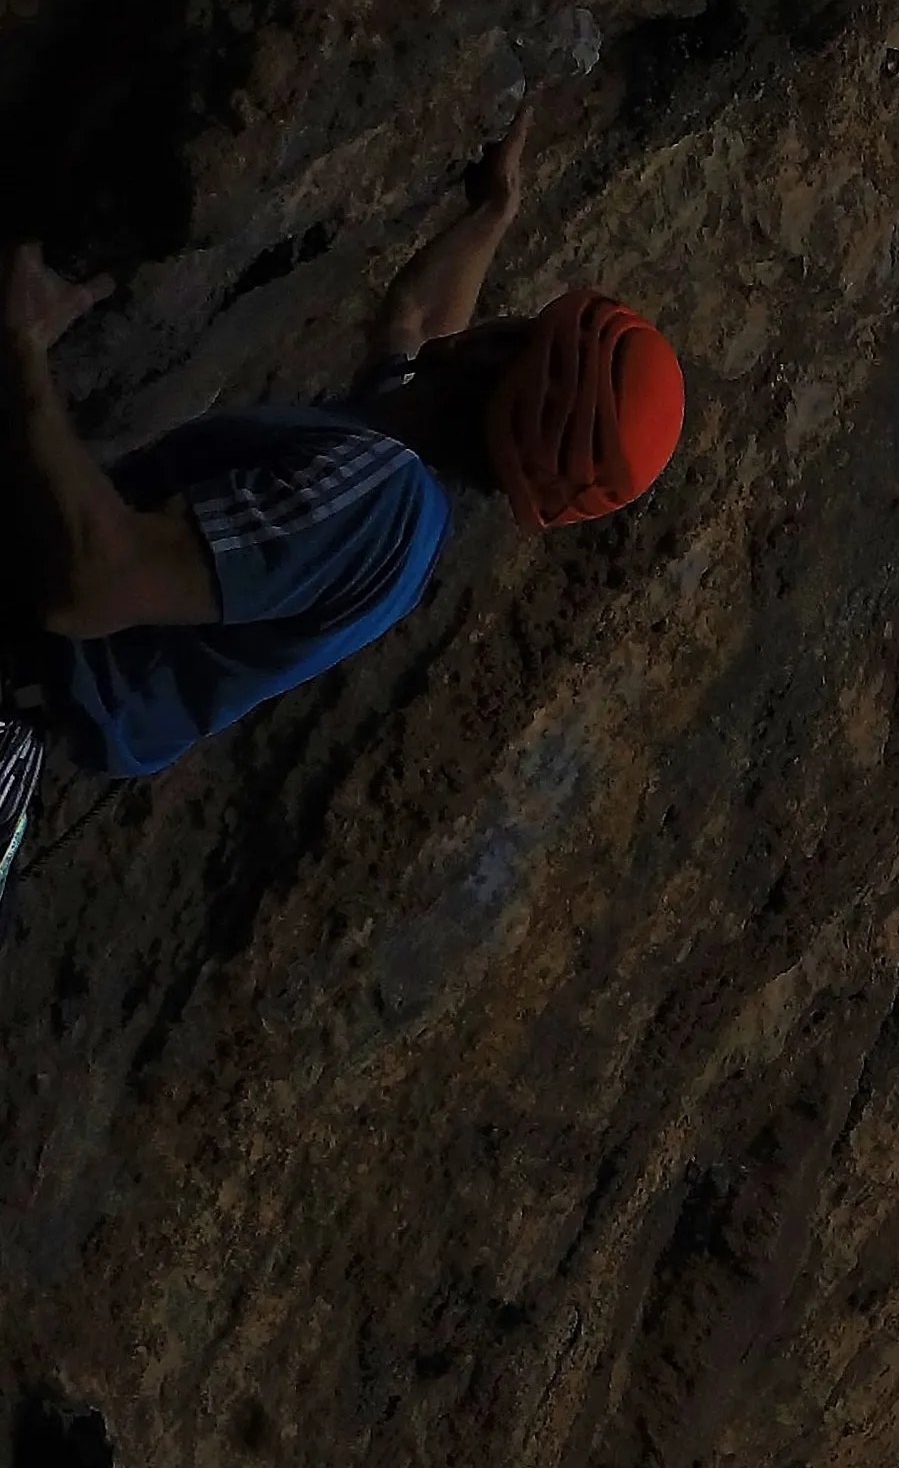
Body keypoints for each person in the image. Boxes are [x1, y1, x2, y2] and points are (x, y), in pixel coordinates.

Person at [0, 107, 686, 887]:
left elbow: (90, 584)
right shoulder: (405, 470)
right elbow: (418, 321)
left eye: (521, 329)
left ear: (500, 349)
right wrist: (492, 213)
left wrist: (21, 353)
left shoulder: (377, 496)